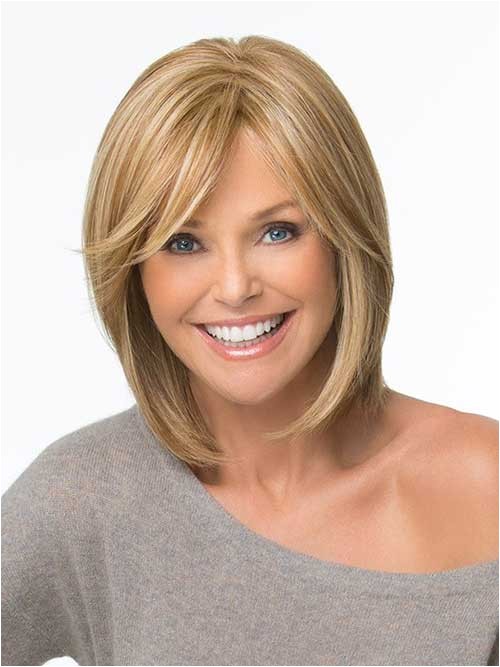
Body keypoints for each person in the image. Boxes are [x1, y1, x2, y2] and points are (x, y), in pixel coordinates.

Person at [2, 35, 498, 666]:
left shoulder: (485, 486)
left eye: (277, 232)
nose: (235, 287)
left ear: (345, 239)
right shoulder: (85, 499)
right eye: (184, 243)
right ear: (134, 272)